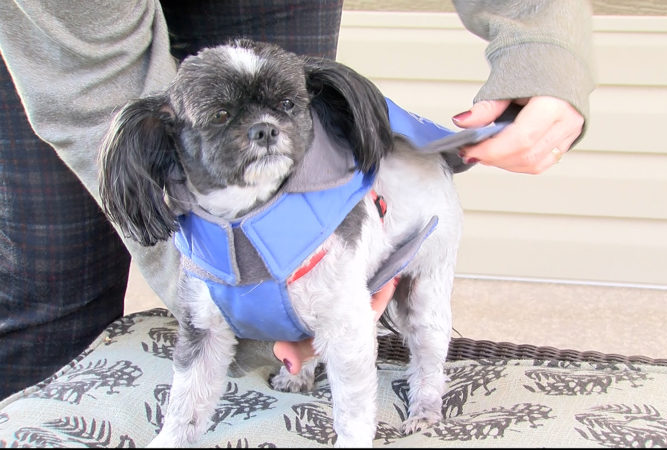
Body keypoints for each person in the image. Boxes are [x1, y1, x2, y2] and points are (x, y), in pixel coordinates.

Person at [0, 0, 594, 398]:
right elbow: (94, 87)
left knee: (309, 312)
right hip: (75, 25)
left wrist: (542, 47)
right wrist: (235, 288)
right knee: (54, 288)